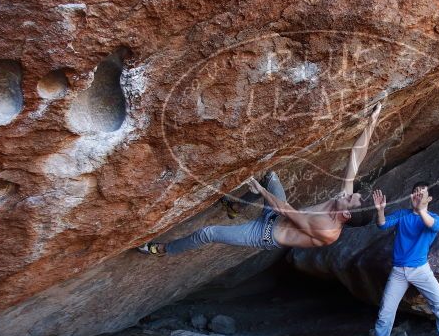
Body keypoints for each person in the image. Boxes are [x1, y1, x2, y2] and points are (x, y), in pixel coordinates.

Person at [138, 103, 382, 254]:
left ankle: (163, 249)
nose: (348, 193)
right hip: (275, 215)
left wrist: (260, 191)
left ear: (346, 214)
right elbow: (355, 158)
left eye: (351, 198)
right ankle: (235, 205)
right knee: (270, 175)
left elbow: (286, 210)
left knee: (208, 233)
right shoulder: (342, 201)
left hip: (262, 234)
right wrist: (372, 122)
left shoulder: (327, 229)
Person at [371, 182, 439, 336]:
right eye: (415, 192)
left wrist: (421, 209)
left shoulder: (435, 218)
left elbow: (433, 225)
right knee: (385, 312)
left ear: (429, 198)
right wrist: (380, 210)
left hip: (421, 270)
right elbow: (382, 224)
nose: (418, 195)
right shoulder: (403, 214)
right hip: (398, 271)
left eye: (422, 193)